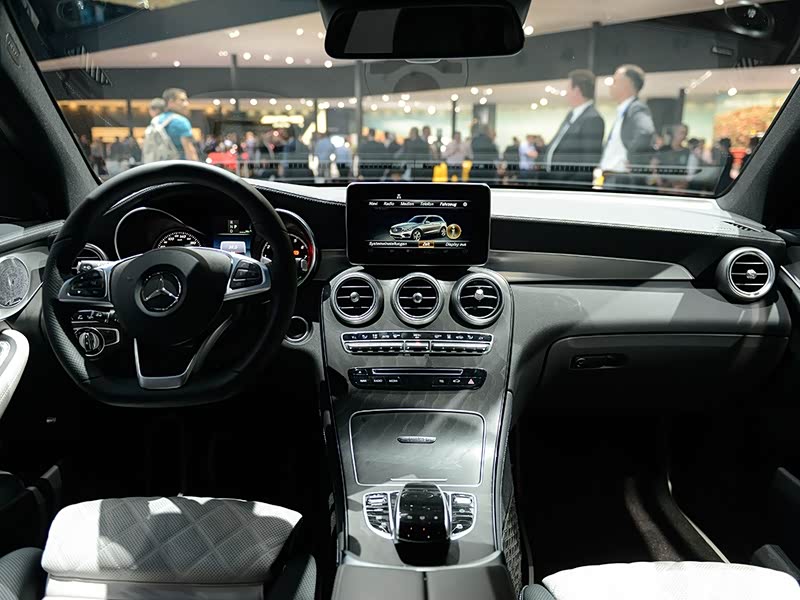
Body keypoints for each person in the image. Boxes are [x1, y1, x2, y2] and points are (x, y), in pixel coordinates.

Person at [542, 69, 605, 183]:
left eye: (568, 88)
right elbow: (557, 144)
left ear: (576, 90)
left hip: (567, 185)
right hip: (553, 180)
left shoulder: (593, 119)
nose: (566, 92)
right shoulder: (571, 115)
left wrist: (571, 187)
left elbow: (589, 163)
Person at [599, 64, 655, 189]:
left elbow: (645, 132)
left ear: (627, 83)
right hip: (612, 178)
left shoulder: (636, 108)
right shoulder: (626, 111)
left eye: (615, 81)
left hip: (620, 180)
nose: (611, 85)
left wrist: (635, 160)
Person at [156, 88, 198, 161]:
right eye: (182, 100)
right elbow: (190, 153)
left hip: (158, 165)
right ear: (171, 102)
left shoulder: (156, 120)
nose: (186, 104)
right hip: (178, 166)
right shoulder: (181, 121)